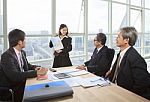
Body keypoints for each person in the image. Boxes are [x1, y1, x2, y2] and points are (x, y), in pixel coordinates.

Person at [0, 29, 48, 102]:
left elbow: (27, 66)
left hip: (22, 83)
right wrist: (37, 73)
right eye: (25, 39)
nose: (26, 41)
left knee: (43, 89)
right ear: (19, 42)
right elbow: (14, 76)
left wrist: (36, 68)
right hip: (13, 88)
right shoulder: (6, 56)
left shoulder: (22, 52)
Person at [106, 27, 150, 100]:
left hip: (127, 96)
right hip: (115, 90)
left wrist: (127, 96)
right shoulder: (121, 54)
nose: (116, 39)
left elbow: (142, 83)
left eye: (118, 37)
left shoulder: (135, 58)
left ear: (126, 40)